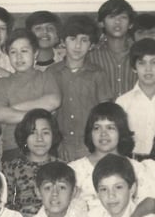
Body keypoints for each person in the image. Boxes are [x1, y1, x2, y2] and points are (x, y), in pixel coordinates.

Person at [68, 102, 155, 213]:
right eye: (97, 128)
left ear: (121, 132)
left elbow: (150, 208)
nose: (103, 134)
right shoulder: (74, 171)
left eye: (110, 128)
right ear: (90, 132)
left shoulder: (137, 170)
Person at [47, 15, 113, 161]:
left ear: (91, 45)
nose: (78, 46)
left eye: (84, 40)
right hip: (58, 146)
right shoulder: (51, 73)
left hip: (89, 146)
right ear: (63, 41)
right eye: (72, 39)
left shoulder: (98, 74)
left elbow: (105, 112)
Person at [0, 29, 61, 164]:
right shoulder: (4, 83)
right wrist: (40, 115)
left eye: (24, 51)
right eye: (13, 52)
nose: (19, 57)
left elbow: (54, 101)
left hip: (44, 146)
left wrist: (12, 109)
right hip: (13, 148)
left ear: (35, 53)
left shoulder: (45, 76)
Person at [115, 38, 155, 159]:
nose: (148, 69)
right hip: (133, 163)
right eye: (142, 63)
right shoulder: (123, 102)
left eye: (154, 62)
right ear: (134, 67)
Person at [3, 109, 61, 217]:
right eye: (33, 133)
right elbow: (6, 208)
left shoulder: (63, 167)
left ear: (53, 136)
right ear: (24, 137)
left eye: (45, 133)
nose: (40, 139)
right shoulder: (11, 168)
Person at [87, 0, 137, 97]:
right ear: (101, 23)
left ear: (130, 24)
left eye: (123, 17)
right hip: (102, 111)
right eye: (111, 17)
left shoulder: (140, 53)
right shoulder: (91, 55)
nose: (117, 22)